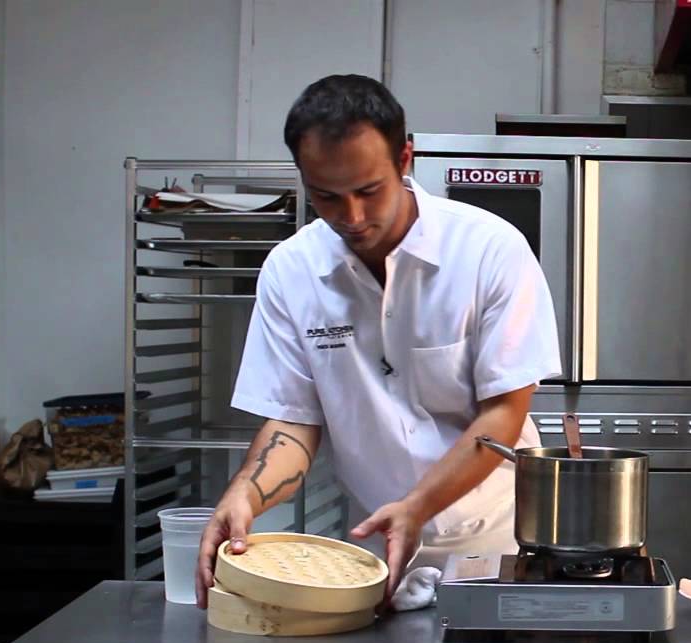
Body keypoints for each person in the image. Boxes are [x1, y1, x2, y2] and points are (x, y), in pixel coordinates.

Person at [194, 74, 561, 608]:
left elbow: (502, 413)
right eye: (326, 196)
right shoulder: (291, 272)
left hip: (505, 545)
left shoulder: (488, 250)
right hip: (376, 549)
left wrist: (416, 507)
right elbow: (293, 421)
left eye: (368, 191)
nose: (352, 217)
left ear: (405, 158)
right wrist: (243, 494)